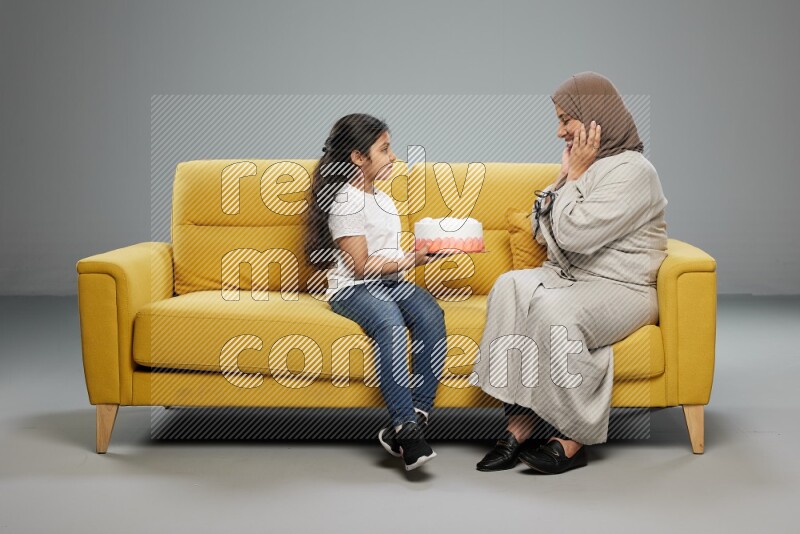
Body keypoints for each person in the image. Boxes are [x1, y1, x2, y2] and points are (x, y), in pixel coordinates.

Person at [472, 72, 669, 474]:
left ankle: (574, 436)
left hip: (622, 287)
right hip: (572, 277)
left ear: (595, 117)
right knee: (509, 286)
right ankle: (520, 422)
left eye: (567, 119)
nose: (560, 130)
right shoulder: (585, 165)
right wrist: (566, 179)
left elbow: (574, 234)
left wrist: (572, 178)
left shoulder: (635, 172)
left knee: (555, 314)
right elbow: (538, 223)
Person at [304, 113, 448, 472]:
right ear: (358, 157)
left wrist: (422, 250)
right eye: (384, 150)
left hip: (388, 283)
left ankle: (416, 416)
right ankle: (404, 427)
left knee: (432, 314)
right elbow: (360, 266)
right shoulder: (345, 201)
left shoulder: (383, 200)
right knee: (391, 322)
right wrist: (414, 260)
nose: (393, 157)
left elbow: (387, 255)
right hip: (352, 289)